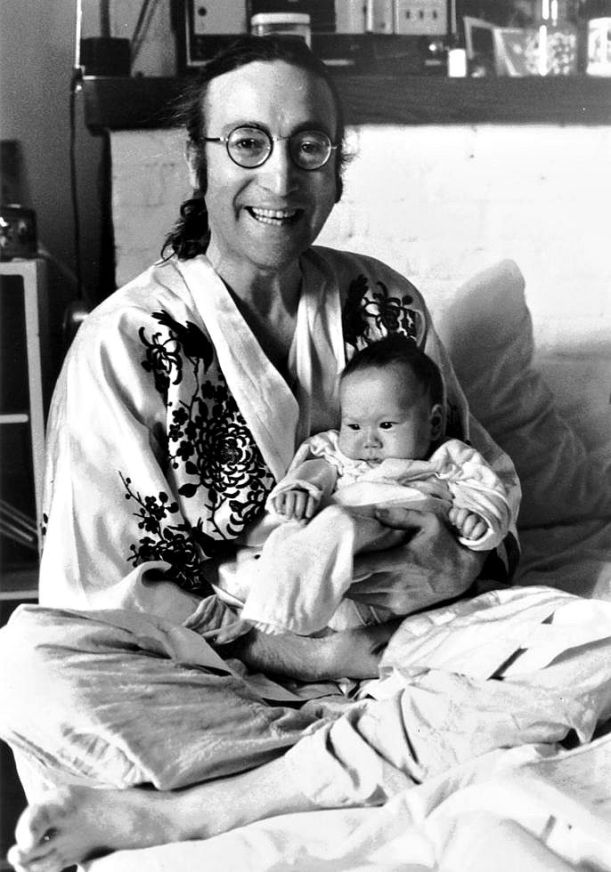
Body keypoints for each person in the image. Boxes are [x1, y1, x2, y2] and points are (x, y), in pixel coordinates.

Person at [0, 34, 537, 872]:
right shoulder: (127, 342)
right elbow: (112, 591)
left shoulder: (386, 303)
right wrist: (312, 656)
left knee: (591, 651)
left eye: (310, 147)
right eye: (247, 143)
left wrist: (460, 563)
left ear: (337, 168)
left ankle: (211, 800)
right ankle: (372, 750)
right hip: (224, 673)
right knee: (30, 668)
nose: (281, 179)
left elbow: (472, 483)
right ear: (196, 162)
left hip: (406, 639)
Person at [219, 335, 516, 636]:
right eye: (354, 426)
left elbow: (488, 491)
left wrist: (478, 520)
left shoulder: (449, 457)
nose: (369, 440)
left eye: (386, 425)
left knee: (338, 523)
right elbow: (313, 471)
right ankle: (269, 612)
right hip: (339, 588)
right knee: (288, 538)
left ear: (434, 423)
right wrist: (298, 493)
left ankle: (281, 613)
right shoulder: (335, 454)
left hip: (400, 543)